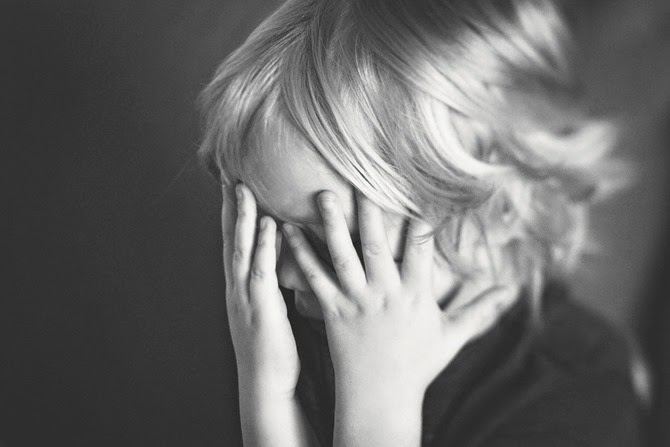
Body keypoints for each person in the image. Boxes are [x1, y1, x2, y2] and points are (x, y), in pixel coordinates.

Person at [198, 0, 642, 445]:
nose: (285, 276)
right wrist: (269, 398)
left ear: (503, 212)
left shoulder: (580, 393)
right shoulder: (273, 330)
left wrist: (377, 409)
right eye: (265, 226)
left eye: (337, 243)